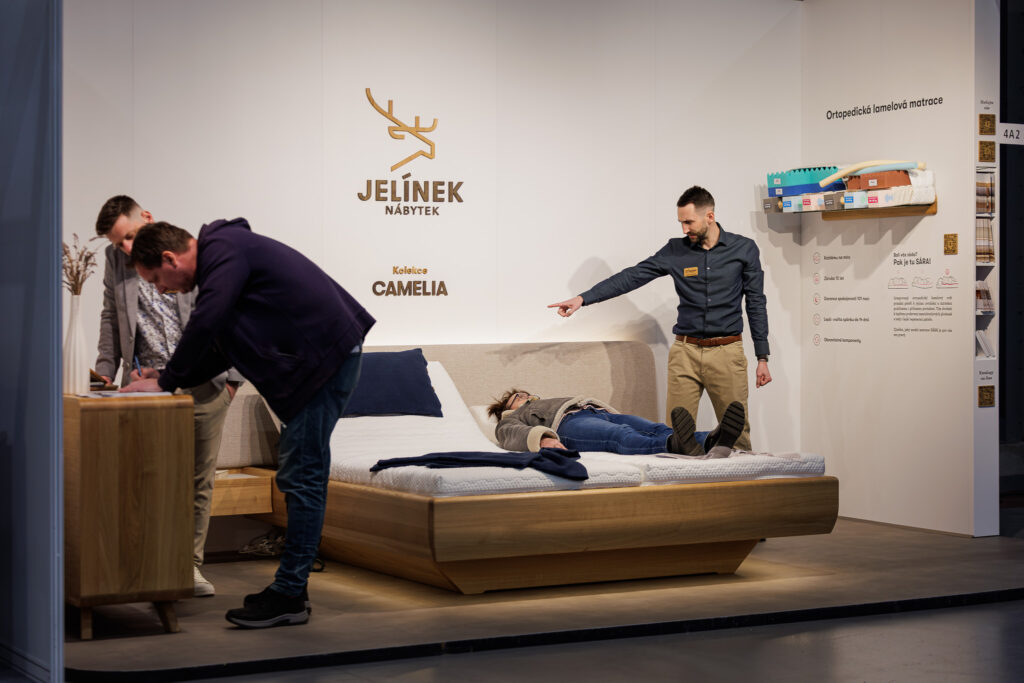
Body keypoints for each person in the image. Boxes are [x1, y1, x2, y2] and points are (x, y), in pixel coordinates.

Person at [120, 218, 375, 629]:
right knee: (299, 475)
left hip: (324, 360)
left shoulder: (225, 249)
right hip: (317, 362)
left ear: (170, 258)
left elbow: (206, 322)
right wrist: (166, 377)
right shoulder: (225, 262)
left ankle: (289, 594)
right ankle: (291, 591)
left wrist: (166, 382)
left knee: (303, 477)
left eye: (156, 280)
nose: (161, 291)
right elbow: (218, 348)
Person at [94, 195, 241, 598]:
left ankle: (189, 567)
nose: (126, 249)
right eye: (118, 243)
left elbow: (224, 312)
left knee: (197, 480)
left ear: (146, 217)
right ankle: (147, 568)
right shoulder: (114, 261)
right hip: (147, 385)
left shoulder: (183, 253)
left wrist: (232, 380)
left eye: (128, 237)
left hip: (205, 382)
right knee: (144, 479)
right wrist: (105, 372)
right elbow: (110, 316)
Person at [548, 186, 771, 450]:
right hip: (685, 353)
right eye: (681, 223)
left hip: (727, 352)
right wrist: (583, 299)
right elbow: (632, 276)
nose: (684, 229)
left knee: (737, 435)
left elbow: (756, 302)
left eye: (689, 222)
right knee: (677, 437)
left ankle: (743, 477)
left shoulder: (744, 249)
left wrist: (762, 357)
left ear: (709, 217)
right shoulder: (675, 250)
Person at [487, 389, 746, 457]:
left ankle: (709, 440)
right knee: (619, 435)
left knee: (656, 428)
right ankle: (674, 446)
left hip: (597, 412)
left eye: (526, 393)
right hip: (567, 425)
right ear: (507, 410)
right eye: (518, 397)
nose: (526, 396)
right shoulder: (512, 418)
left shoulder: (549, 400)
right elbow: (509, 433)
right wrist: (543, 439)